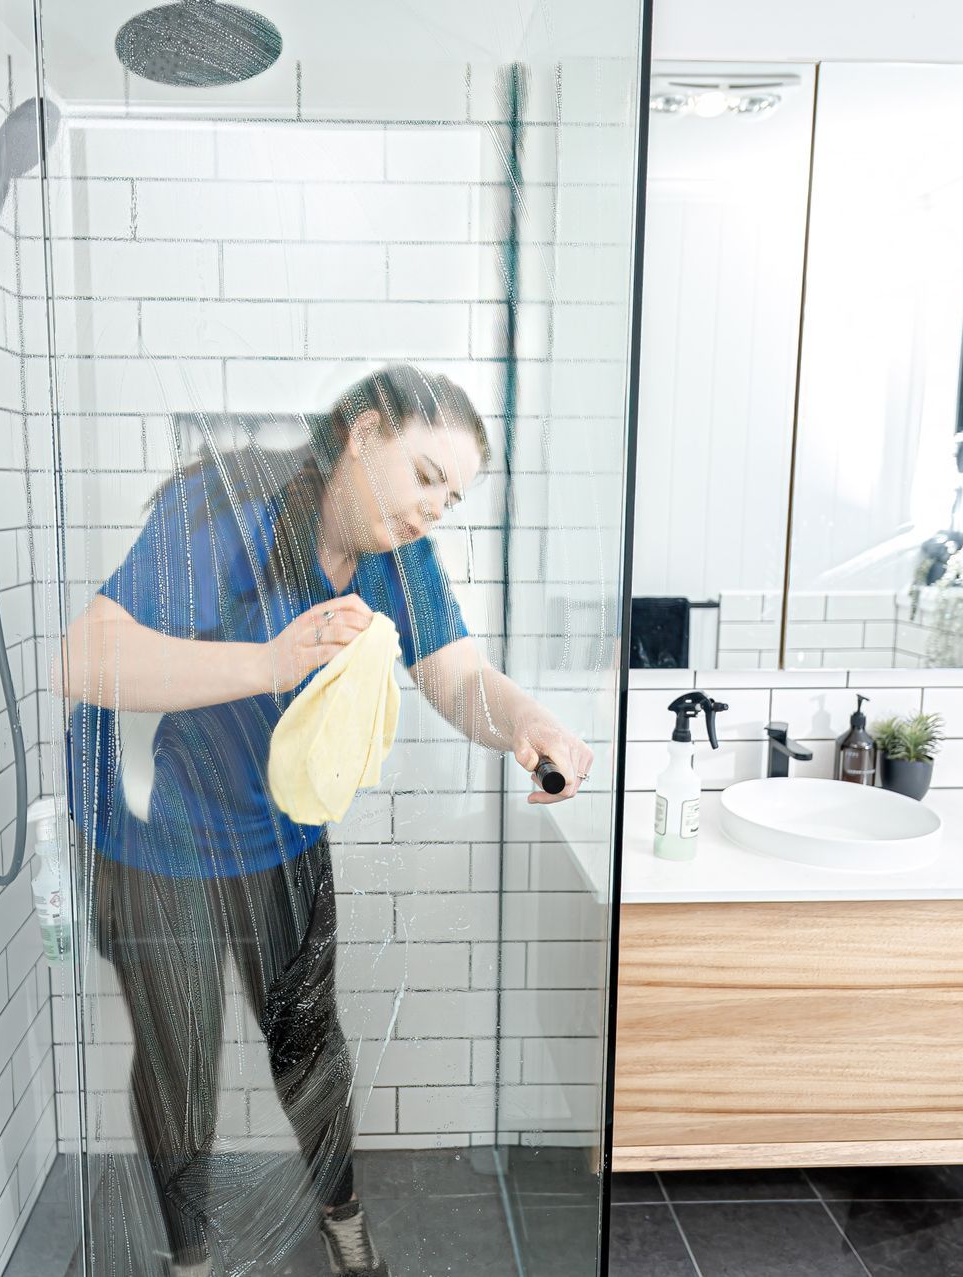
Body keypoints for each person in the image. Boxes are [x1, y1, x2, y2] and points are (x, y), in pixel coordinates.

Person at [59, 365, 592, 1277]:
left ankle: (344, 1223)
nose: (432, 509)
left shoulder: (397, 554)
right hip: (154, 827)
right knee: (181, 1064)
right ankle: (192, 1259)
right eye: (425, 476)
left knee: (309, 1043)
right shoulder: (225, 515)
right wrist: (271, 662)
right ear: (365, 432)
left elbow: (457, 678)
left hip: (277, 822)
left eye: (451, 498)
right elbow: (86, 658)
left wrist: (529, 722)